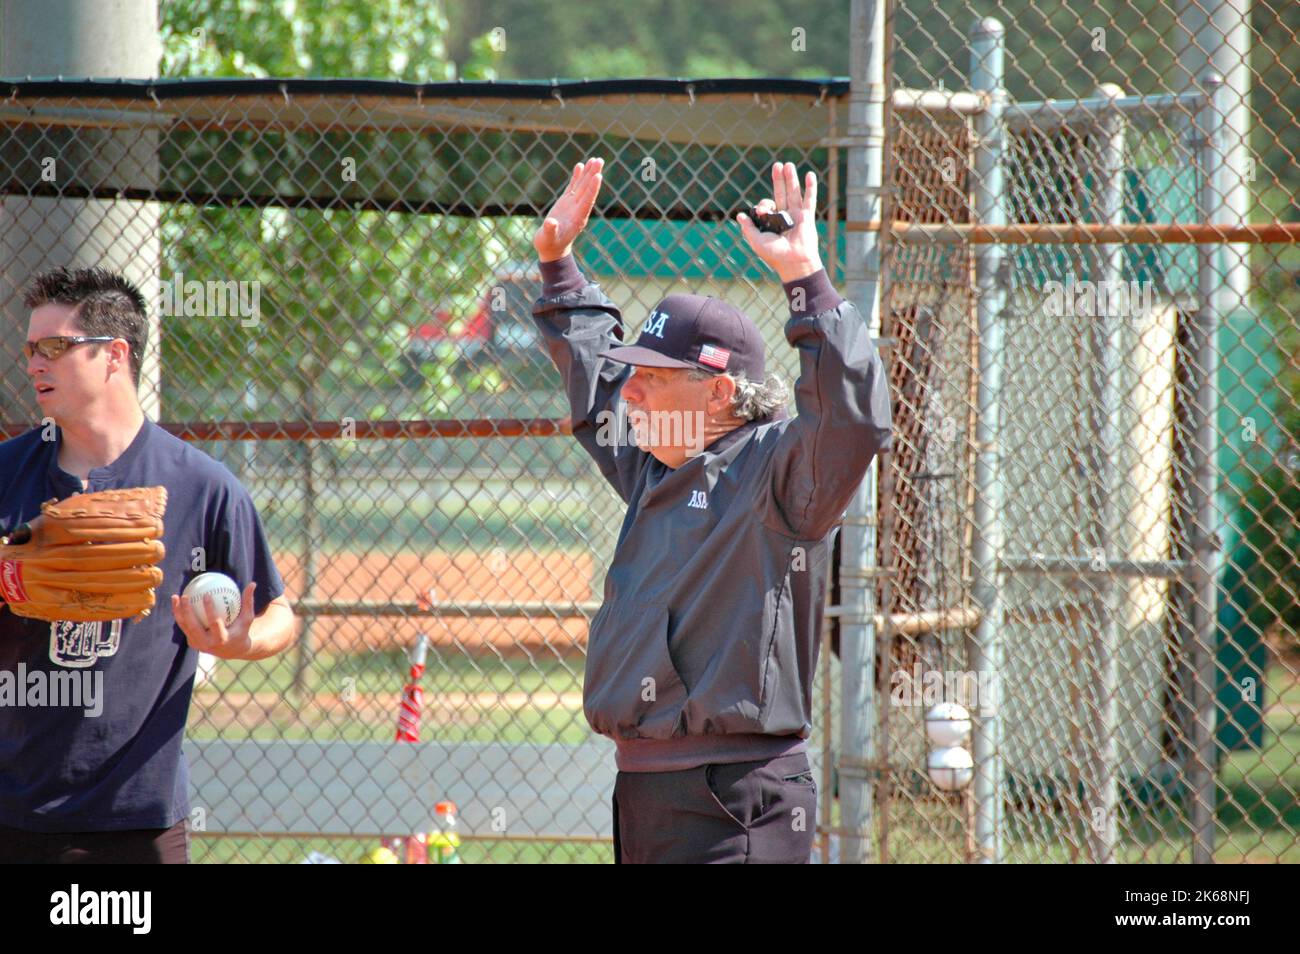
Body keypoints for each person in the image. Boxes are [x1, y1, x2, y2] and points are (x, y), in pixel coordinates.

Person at [531, 158, 893, 863]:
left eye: (653, 377)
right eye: (634, 373)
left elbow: (853, 420)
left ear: (719, 393)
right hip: (645, 792)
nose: (630, 392)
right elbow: (597, 379)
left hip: (735, 798)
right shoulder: (655, 466)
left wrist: (807, 281)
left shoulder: (778, 474)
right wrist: (558, 265)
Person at [0, 266, 297, 863]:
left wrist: (242, 643)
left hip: (138, 813)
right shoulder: (6, 474)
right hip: (12, 808)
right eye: (31, 348)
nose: (34, 363)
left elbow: (278, 612)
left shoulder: (201, 486)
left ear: (114, 354)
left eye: (55, 347)